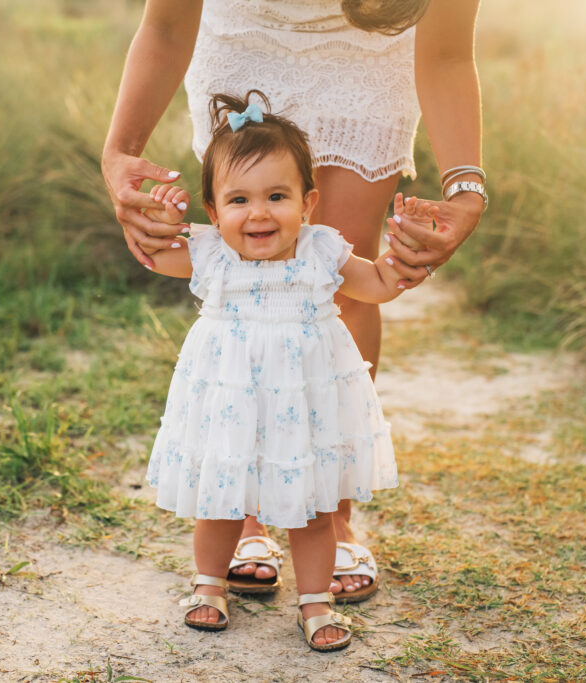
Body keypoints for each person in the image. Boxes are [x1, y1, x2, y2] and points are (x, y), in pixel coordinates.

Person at [102, 0, 485, 600]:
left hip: (369, 57)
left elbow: (447, 51)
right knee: (249, 242)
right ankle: (246, 510)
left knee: (338, 274)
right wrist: (120, 151)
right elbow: (168, 22)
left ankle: (330, 510)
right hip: (243, 40)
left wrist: (464, 188)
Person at [141, 92, 434, 651]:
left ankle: (315, 601)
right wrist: (158, 218)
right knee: (222, 497)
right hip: (234, 401)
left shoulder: (321, 250)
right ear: (212, 210)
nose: (259, 213)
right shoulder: (209, 254)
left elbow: (374, 285)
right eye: (239, 200)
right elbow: (154, 255)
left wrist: (405, 254)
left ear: (308, 201)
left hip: (305, 402)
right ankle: (208, 586)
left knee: (315, 506)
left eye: (278, 196)